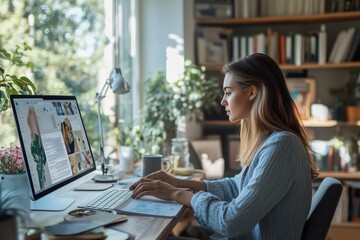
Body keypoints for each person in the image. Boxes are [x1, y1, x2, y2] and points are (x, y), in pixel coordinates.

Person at [130, 53, 319, 240]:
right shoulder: (270, 141)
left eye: (228, 92)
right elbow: (236, 187)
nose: (223, 101)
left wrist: (176, 193)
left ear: (252, 92)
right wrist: (178, 182)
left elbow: (231, 221)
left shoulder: (282, 146)